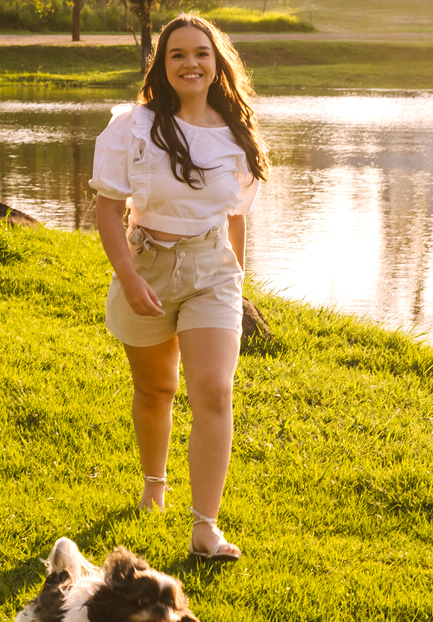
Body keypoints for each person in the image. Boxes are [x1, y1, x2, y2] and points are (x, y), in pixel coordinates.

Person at [89, 13, 269, 560]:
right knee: (156, 390)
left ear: (217, 64)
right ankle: (154, 484)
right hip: (146, 263)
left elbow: (236, 216)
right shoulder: (133, 126)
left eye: (200, 54)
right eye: (177, 55)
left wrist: (235, 281)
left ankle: (205, 528)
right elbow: (107, 210)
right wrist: (129, 275)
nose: (190, 63)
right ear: (163, 66)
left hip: (212, 268)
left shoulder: (237, 133)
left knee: (213, 391)